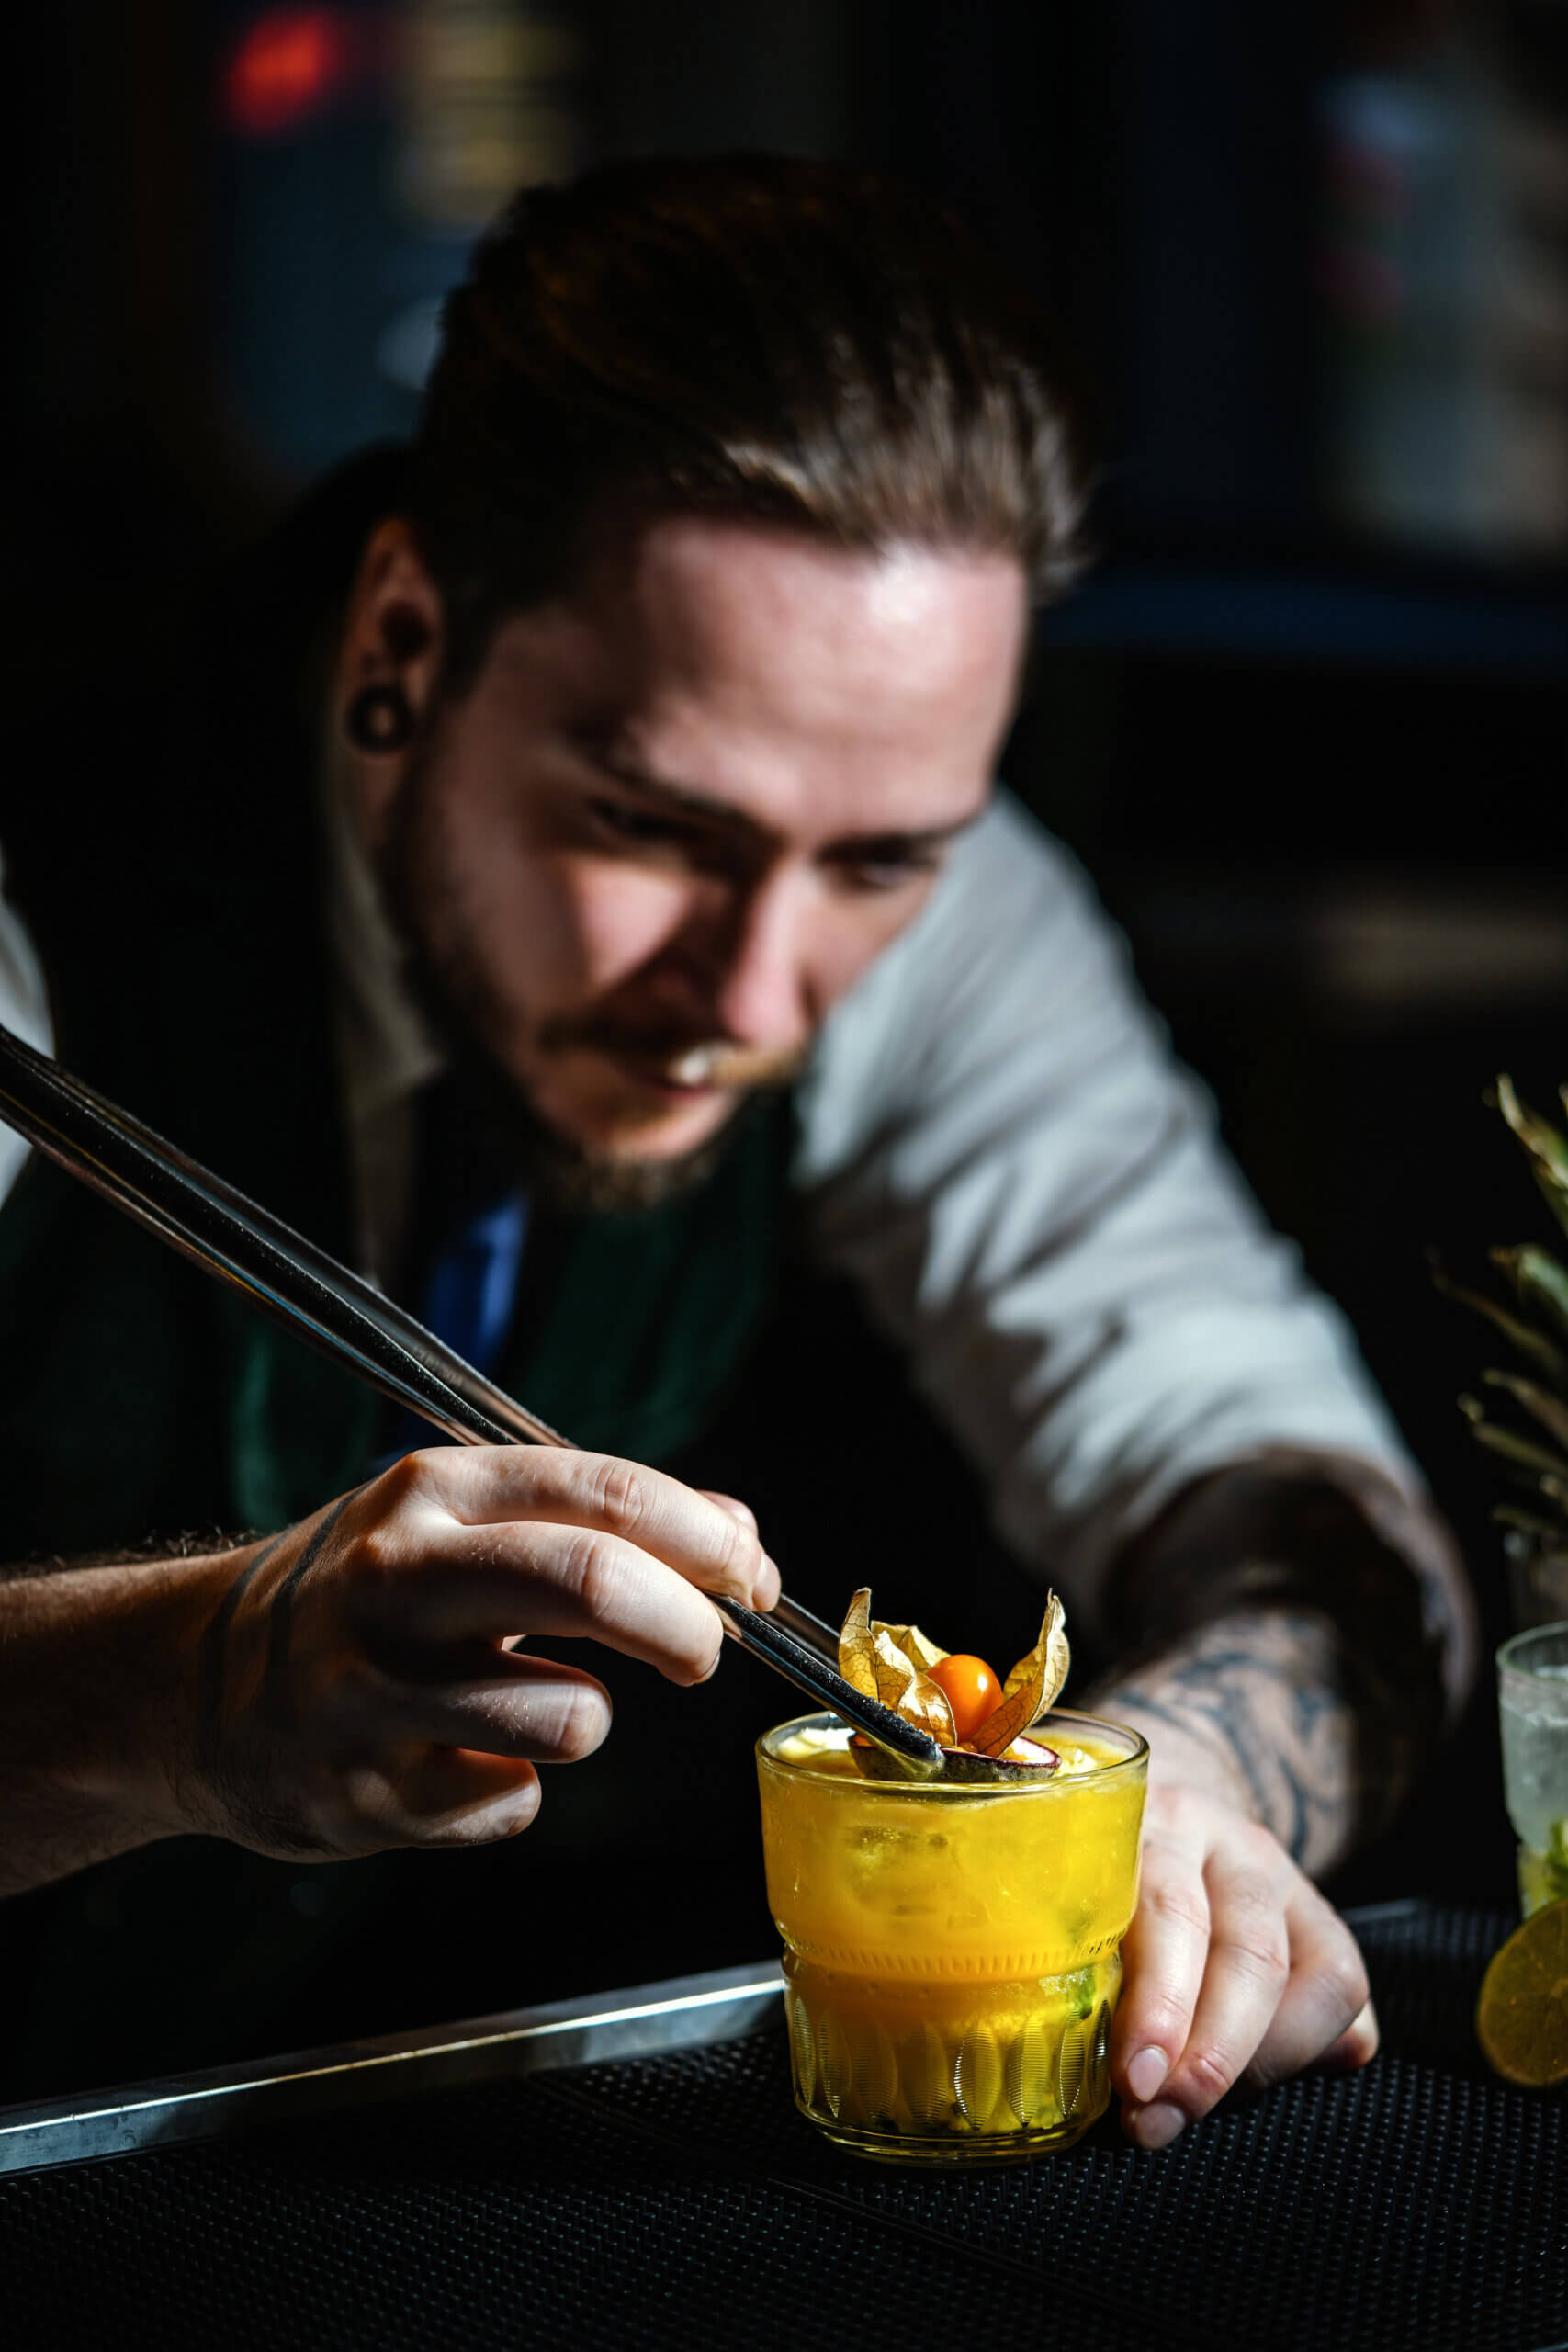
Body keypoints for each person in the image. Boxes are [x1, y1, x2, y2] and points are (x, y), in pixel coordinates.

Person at [0, 156, 1474, 2145]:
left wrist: (1187, 1771)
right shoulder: (40, 910)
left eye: (874, 863)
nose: (757, 991)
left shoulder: (914, 899)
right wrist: (180, 1685)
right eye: (651, 828)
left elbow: (1300, 1497)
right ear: (408, 637)